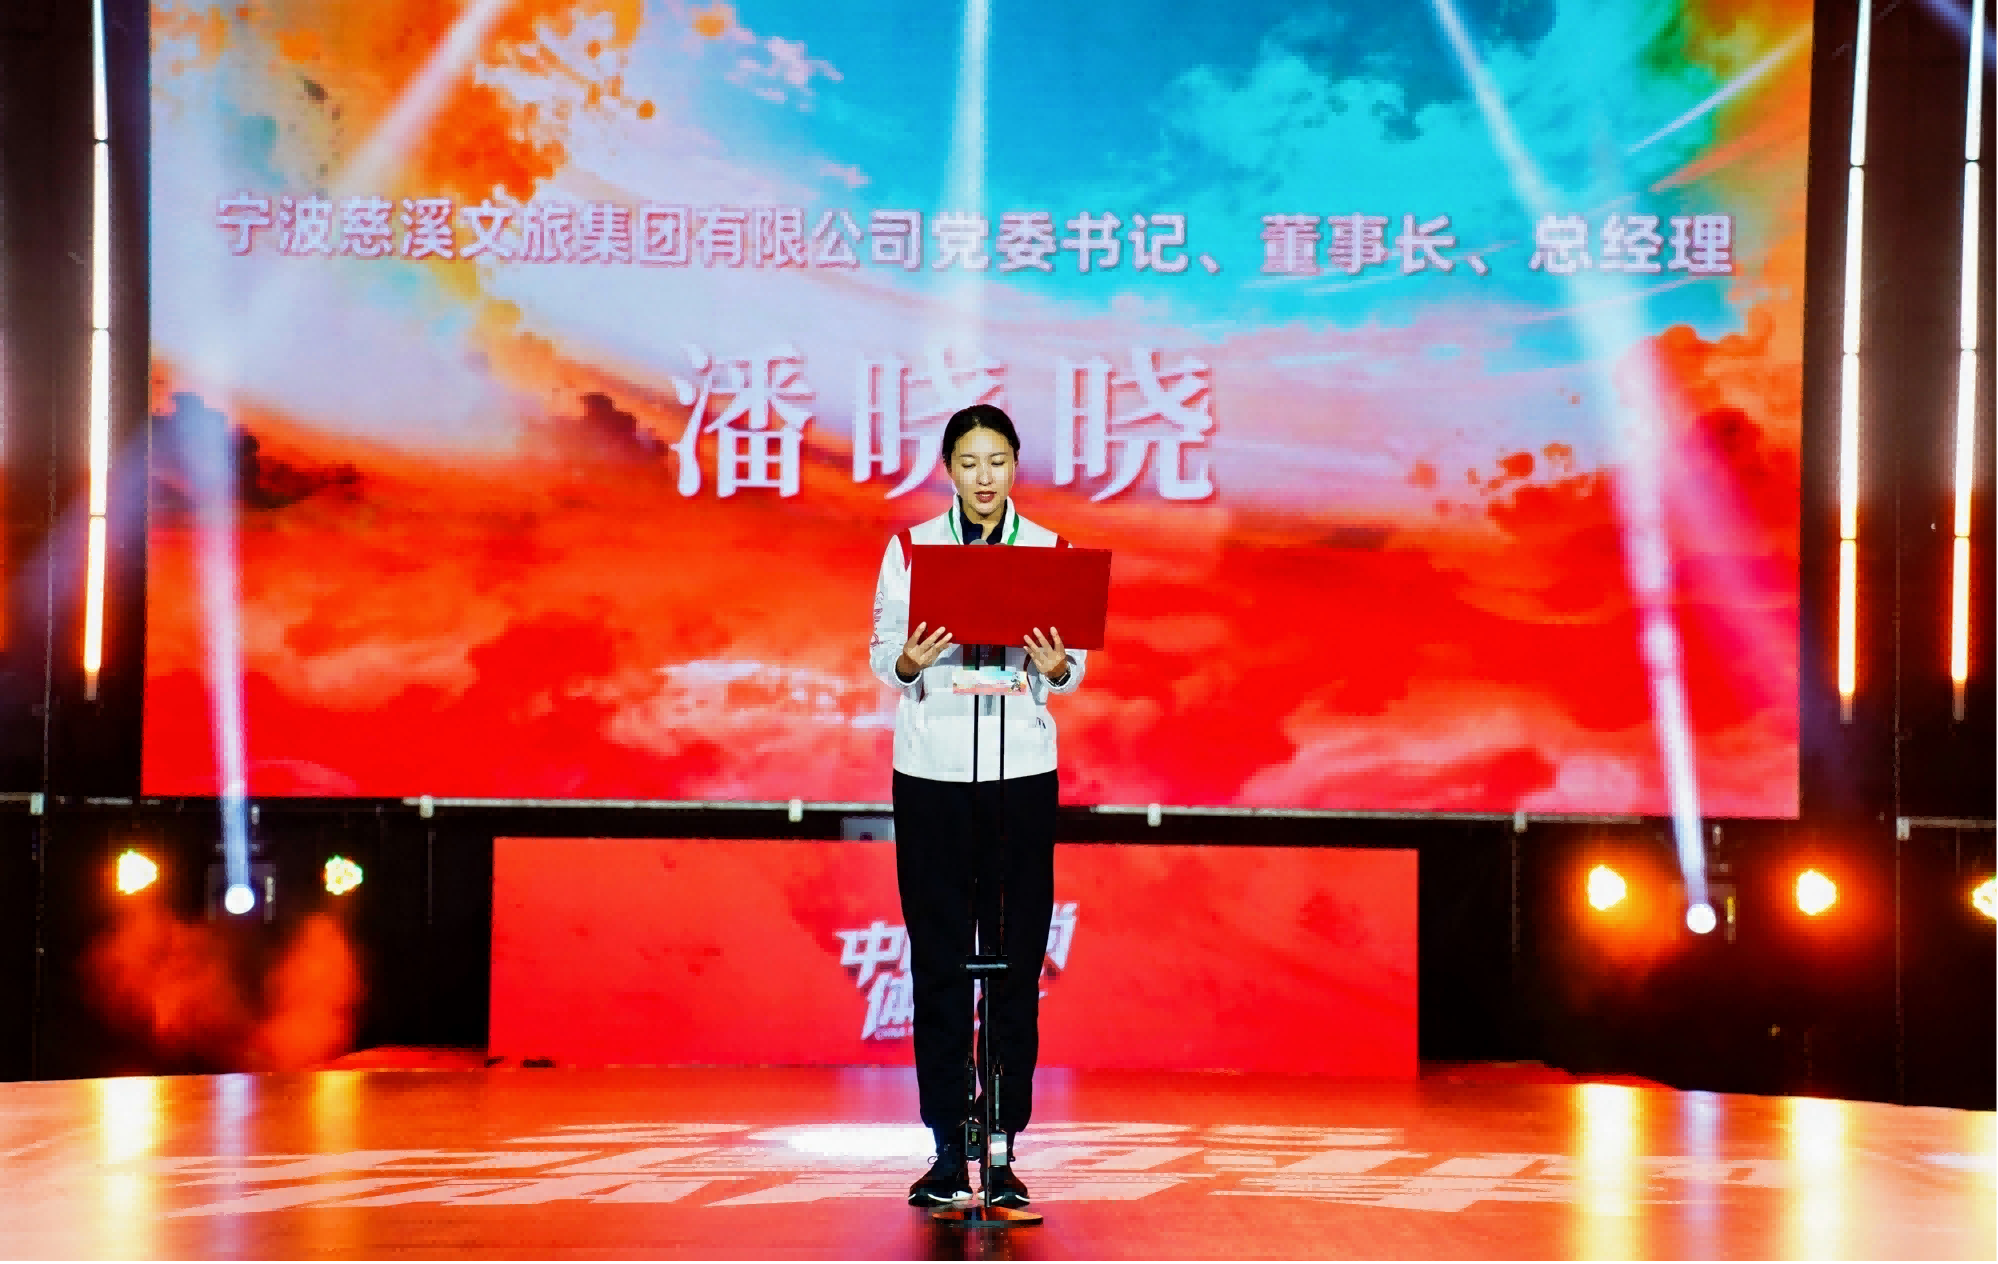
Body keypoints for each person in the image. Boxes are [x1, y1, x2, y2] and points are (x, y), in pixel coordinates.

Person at [868, 403, 1085, 1209]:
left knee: (1016, 962)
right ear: (949, 470)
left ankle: (1002, 1147)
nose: (984, 477)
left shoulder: (1050, 552)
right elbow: (882, 656)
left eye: (997, 461)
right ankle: (944, 1148)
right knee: (939, 962)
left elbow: (1073, 668)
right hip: (931, 773)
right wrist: (907, 660)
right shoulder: (911, 549)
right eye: (969, 462)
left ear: (1014, 466)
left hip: (1020, 773)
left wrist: (1057, 668)